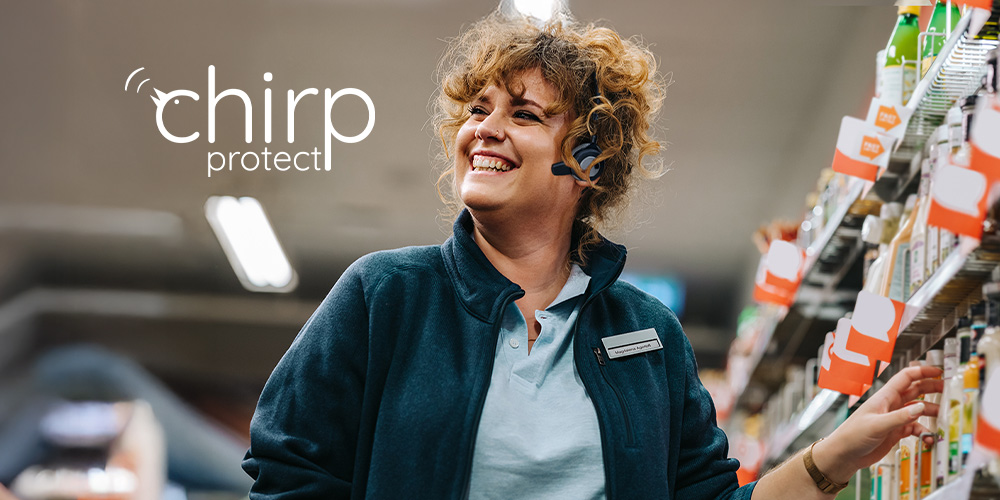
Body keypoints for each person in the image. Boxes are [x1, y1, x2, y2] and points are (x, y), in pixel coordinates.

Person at [242, 10, 943, 499]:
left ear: (587, 159)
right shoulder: (385, 296)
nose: (482, 131)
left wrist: (836, 454)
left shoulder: (648, 336)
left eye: (522, 114)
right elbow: (288, 474)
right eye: (477, 110)